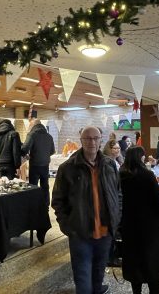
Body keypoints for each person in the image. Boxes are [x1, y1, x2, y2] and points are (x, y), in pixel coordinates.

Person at [52, 126, 121, 294]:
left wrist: (116, 217)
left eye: (95, 138)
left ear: (100, 140)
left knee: (98, 276)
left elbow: (118, 194)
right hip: (80, 233)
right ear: (81, 140)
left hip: (105, 232)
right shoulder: (68, 168)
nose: (92, 142)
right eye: (87, 138)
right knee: (83, 280)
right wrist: (68, 227)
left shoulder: (110, 165)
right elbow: (58, 201)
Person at [120, 146, 159, 294]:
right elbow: (158, 199)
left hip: (129, 224)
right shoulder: (147, 175)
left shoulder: (122, 175)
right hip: (150, 224)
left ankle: (136, 291)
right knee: (152, 261)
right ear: (140, 157)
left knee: (133, 261)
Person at [22, 119, 55, 207]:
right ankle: (45, 205)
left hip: (35, 164)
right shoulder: (49, 136)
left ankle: (33, 205)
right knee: (45, 186)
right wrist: (45, 155)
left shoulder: (32, 135)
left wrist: (28, 154)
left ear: (33, 125)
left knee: (33, 186)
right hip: (45, 165)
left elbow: (24, 149)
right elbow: (52, 151)